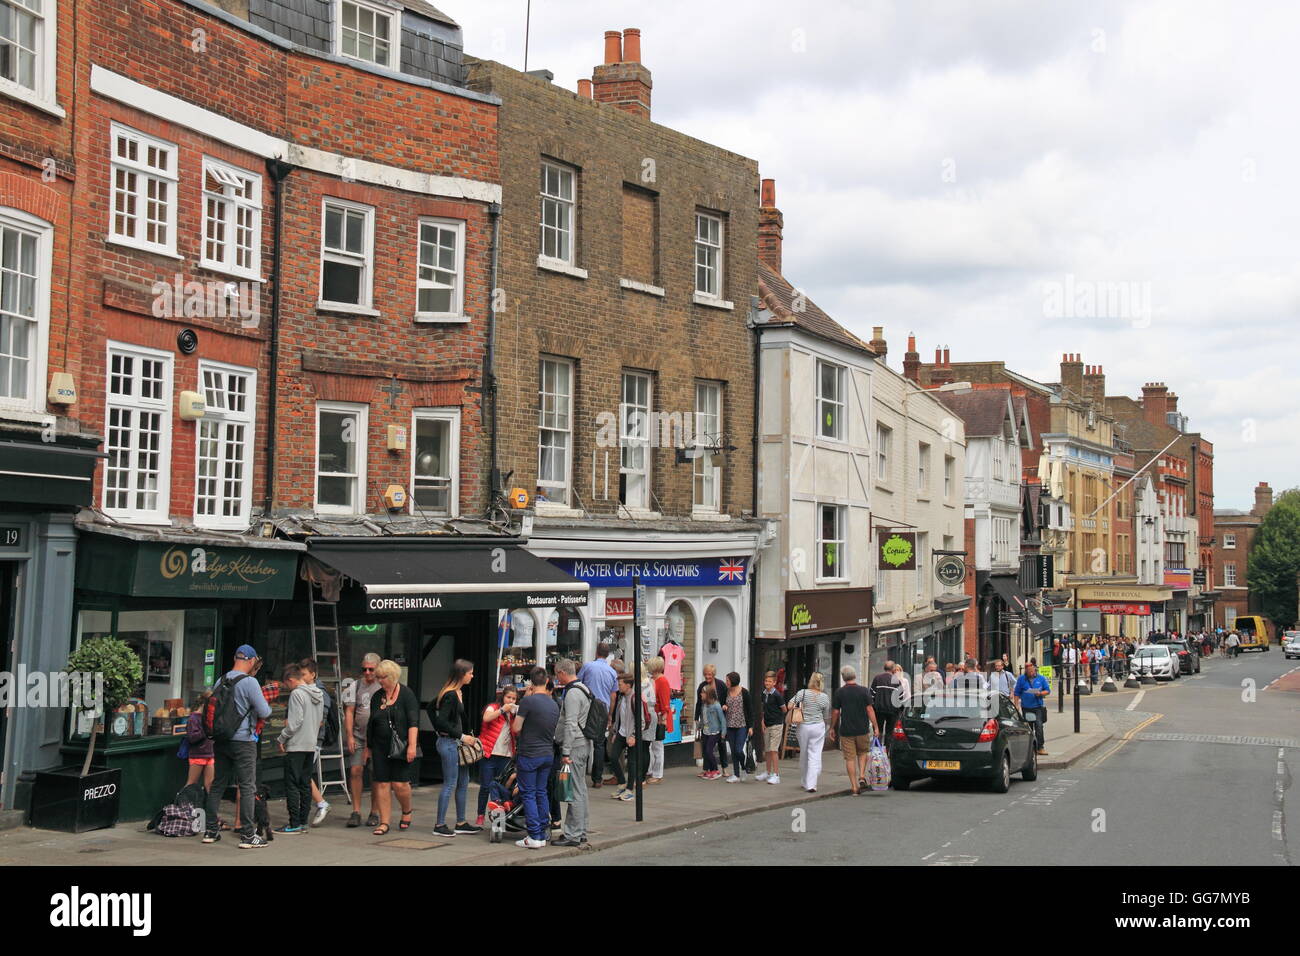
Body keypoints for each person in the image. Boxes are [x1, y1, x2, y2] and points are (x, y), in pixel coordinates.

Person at [202, 645, 272, 848]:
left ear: (235, 658)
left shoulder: (221, 679)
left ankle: (210, 831)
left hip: (221, 739)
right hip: (243, 742)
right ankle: (249, 836)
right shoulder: (250, 682)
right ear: (250, 661)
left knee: (217, 785)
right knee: (247, 787)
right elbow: (265, 711)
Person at [364, 659, 418, 836]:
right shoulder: (377, 696)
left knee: (400, 784)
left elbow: (413, 722)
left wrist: (412, 746)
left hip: (401, 746)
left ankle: (407, 810)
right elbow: (371, 724)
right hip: (380, 747)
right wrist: (368, 747)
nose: (380, 680)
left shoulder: (406, 694)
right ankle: (384, 822)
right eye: (378, 677)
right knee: (382, 784)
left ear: (393, 676)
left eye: (382, 677)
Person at [430, 659, 480, 838]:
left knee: (463, 782)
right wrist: (460, 735)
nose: (472, 676)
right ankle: (439, 825)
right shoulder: (451, 694)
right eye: (470, 673)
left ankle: (461, 822)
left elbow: (430, 708)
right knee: (450, 783)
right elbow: (441, 720)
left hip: (456, 744)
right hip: (450, 743)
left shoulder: (454, 692)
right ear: (461, 674)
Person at [513, 666, 559, 849]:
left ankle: (534, 835)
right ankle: (542, 831)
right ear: (547, 681)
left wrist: (525, 697)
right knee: (541, 792)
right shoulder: (553, 704)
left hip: (529, 753)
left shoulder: (528, 703)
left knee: (529, 793)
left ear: (531, 682)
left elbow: (516, 727)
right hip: (547, 753)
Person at [275, 662, 324, 834]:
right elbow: (319, 721)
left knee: (292, 785)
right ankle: (303, 821)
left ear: (290, 680)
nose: (287, 688)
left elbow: (294, 723)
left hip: (296, 745)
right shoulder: (319, 693)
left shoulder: (296, 694)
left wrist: (281, 737)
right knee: (305, 783)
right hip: (310, 744)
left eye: (286, 684)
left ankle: (294, 822)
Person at [553, 659, 592, 847]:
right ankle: (581, 830)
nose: (556, 677)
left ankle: (573, 835)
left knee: (574, 791)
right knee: (581, 789)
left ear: (562, 672)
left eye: (556, 674)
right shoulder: (583, 688)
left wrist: (566, 751)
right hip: (583, 743)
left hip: (575, 746)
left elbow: (570, 723)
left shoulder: (572, 694)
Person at [342, 653, 382, 828]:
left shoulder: (383, 686)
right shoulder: (355, 686)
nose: (367, 672)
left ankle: (374, 811)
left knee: (376, 774)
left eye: (371, 669)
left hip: (377, 738)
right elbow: (349, 712)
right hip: (359, 735)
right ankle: (356, 811)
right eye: (364, 669)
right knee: (356, 770)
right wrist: (349, 736)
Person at [829, 665, 877, 795]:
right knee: (862, 753)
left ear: (843, 678)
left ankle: (854, 787)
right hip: (862, 729)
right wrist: (876, 726)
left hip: (846, 730)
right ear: (854, 676)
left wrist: (832, 727)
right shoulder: (864, 691)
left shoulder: (840, 692)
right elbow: (870, 709)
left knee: (850, 759)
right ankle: (861, 775)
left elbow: (835, 711)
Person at [577, 643, 619, 788]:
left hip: (587, 707)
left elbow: (577, 684)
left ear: (596, 652)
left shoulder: (588, 667)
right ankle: (597, 778)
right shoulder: (612, 672)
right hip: (603, 709)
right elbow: (613, 696)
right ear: (607, 655)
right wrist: (610, 715)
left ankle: (579, 775)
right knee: (599, 744)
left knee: (582, 739)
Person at [476, 685, 518, 825]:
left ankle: (499, 819)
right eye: (508, 697)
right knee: (486, 786)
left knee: (501, 787)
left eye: (513, 698)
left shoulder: (513, 714)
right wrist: (502, 710)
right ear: (503, 697)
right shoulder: (493, 707)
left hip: (505, 755)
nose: (510, 700)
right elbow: (486, 718)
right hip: (489, 753)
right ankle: (480, 815)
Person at [298, 658, 332, 827]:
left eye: (304, 674)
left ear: (313, 674)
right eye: (300, 674)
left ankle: (320, 804)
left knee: (301, 773)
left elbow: (320, 720)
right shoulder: (305, 689)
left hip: (312, 740)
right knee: (302, 773)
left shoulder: (320, 693)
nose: (301, 677)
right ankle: (319, 804)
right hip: (306, 739)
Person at [609, 672, 651, 800]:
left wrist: (634, 736)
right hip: (622, 733)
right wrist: (615, 732)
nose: (618, 686)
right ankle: (622, 783)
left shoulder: (635, 698)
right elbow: (619, 716)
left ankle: (629, 790)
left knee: (632, 762)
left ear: (628, 685)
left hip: (632, 734)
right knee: (613, 756)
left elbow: (642, 721)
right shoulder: (622, 697)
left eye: (620, 684)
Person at [787, 673, 831, 792]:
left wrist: (800, 708)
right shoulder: (825, 697)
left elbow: (789, 705)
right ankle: (812, 783)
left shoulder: (803, 693)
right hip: (818, 726)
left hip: (804, 726)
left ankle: (805, 780)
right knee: (815, 754)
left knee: (804, 753)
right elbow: (826, 715)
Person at [721, 671, 754, 783]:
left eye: (728, 680)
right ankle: (736, 774)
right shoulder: (726, 692)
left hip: (742, 725)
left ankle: (744, 767)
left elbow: (750, 710)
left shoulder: (744, 692)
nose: (726, 682)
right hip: (730, 725)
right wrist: (724, 706)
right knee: (733, 751)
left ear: (733, 681)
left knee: (738, 750)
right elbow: (722, 703)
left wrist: (750, 726)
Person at [696, 664, 730, 769]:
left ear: (713, 674)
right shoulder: (702, 686)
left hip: (719, 718)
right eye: (705, 674)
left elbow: (727, 697)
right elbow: (699, 702)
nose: (707, 676)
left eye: (709, 674)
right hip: (707, 719)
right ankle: (707, 769)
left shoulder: (720, 685)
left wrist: (725, 705)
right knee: (706, 745)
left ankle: (724, 768)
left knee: (721, 744)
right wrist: (696, 718)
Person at [1014, 660, 1051, 755]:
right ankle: (1029, 748)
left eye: (1032, 671)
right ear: (1026, 671)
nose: (1031, 673)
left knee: (1039, 726)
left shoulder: (1041, 678)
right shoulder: (1021, 679)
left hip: (1038, 707)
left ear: (1035, 670)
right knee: (1029, 728)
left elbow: (1047, 690)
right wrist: (1016, 705)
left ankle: (1040, 747)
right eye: (1029, 672)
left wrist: (1040, 693)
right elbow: (1017, 693)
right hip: (1026, 707)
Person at [646, 656, 673, 784]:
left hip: (658, 716)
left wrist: (664, 718)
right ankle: (651, 770)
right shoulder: (652, 679)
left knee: (657, 746)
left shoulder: (662, 681)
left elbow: (665, 701)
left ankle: (657, 773)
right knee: (651, 745)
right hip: (651, 716)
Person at [756, 670, 786, 784]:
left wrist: (776, 717)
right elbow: (764, 708)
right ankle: (767, 772)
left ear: (774, 682)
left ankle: (776, 775)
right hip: (767, 724)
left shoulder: (777, 695)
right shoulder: (763, 694)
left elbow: (784, 709)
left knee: (773, 750)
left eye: (769, 681)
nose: (767, 683)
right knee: (767, 750)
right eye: (766, 681)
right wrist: (763, 720)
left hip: (777, 725)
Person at [182, 692, 215, 792]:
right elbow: (192, 737)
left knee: (210, 784)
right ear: (204, 705)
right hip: (198, 755)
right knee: (191, 783)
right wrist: (206, 730)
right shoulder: (193, 718)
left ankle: (208, 807)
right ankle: (182, 804)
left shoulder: (210, 718)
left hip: (210, 754)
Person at [870, 661, 903, 750]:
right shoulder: (897, 681)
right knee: (890, 732)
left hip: (878, 710)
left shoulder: (877, 678)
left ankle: (877, 752)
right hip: (892, 711)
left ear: (884, 668)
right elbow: (900, 698)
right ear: (893, 669)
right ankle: (888, 751)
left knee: (878, 730)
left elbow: (872, 695)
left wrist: (873, 706)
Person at [697, 683, 726, 780]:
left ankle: (716, 771)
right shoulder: (704, 705)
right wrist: (699, 726)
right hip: (705, 731)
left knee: (709, 751)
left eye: (703, 693)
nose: (701, 694)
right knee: (705, 752)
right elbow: (703, 717)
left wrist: (723, 733)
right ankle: (710, 770)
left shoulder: (716, 706)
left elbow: (722, 719)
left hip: (715, 732)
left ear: (708, 694)